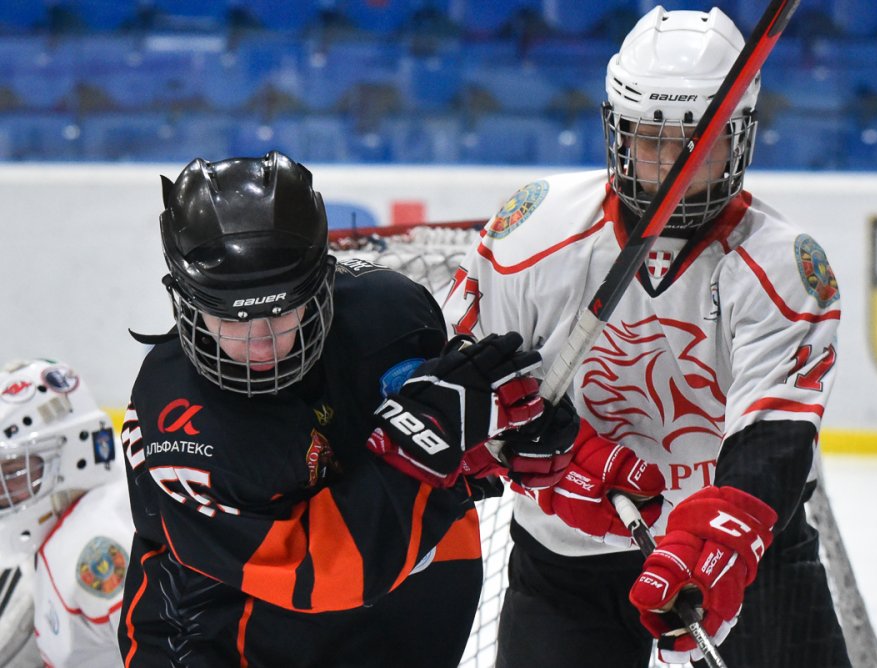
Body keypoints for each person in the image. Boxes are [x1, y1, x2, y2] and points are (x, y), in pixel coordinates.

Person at [439, 7, 851, 668]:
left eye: (698, 143)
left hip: (738, 554)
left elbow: (772, 439)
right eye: (652, 138)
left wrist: (720, 539)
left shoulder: (785, 268)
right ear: (619, 132)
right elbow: (458, 382)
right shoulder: (533, 233)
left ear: (740, 139)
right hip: (567, 562)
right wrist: (546, 454)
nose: (672, 165)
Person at [117, 151, 568, 667]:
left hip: (397, 640)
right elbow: (328, 572)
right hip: (221, 648)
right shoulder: (180, 420)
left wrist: (505, 442)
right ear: (186, 298)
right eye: (231, 319)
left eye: (282, 311)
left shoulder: (393, 316)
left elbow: (450, 451)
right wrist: (431, 440)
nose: (261, 344)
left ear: (320, 281)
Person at [0, 358, 128, 668]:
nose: (3, 492)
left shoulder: (98, 545)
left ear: (75, 453)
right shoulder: (62, 527)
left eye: (13, 472)